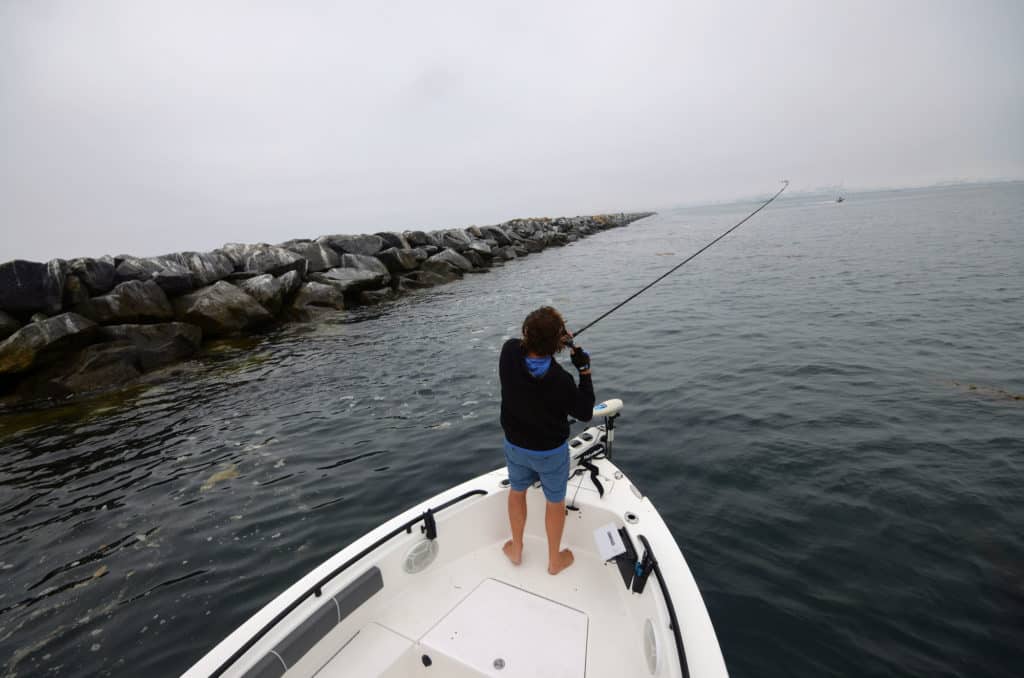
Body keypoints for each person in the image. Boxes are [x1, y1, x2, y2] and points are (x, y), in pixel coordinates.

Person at [499, 306, 595, 575]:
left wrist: (555, 339)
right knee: (555, 501)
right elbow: (585, 412)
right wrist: (584, 371)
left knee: (517, 490)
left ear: (525, 333)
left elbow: (525, 344)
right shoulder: (561, 381)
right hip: (550, 452)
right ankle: (554, 560)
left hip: (515, 445)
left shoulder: (508, 354)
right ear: (556, 344)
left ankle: (516, 548)